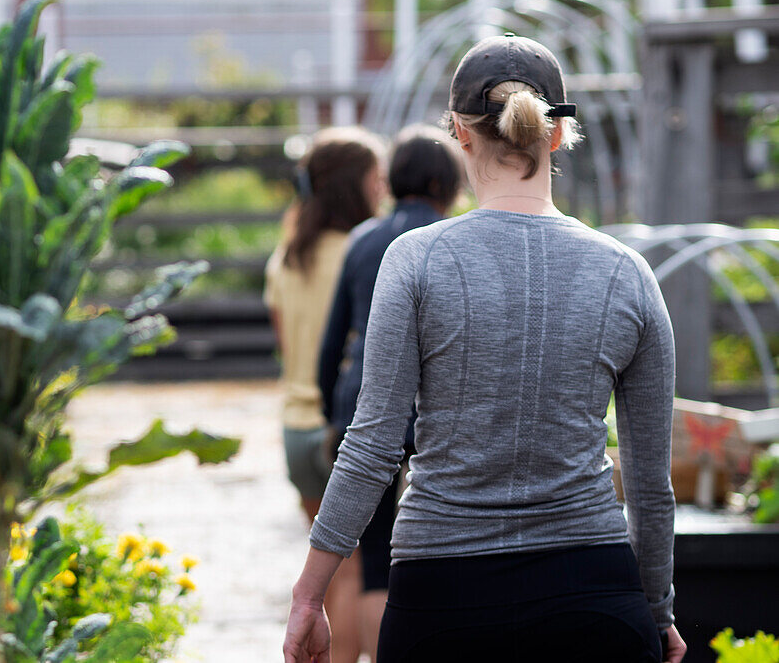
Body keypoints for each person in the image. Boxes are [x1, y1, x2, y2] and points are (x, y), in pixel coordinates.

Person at [283, 34, 687, 663]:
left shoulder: (415, 261)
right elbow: (648, 481)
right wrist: (657, 609)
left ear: (459, 134)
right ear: (556, 135)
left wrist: (310, 594)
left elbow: (373, 445)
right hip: (596, 597)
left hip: (442, 598)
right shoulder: (627, 274)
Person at [316, 124, 464, 662]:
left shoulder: (363, 240)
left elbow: (332, 343)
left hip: (364, 408)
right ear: (447, 180)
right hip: (433, 419)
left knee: (374, 559)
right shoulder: (454, 240)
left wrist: (335, 410)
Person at [265, 126, 386, 663]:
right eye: (376, 178)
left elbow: (288, 346)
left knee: (323, 564)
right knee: (356, 569)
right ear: (354, 185)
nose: (382, 189)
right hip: (342, 432)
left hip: (293, 427)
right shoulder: (366, 254)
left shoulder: (286, 258)